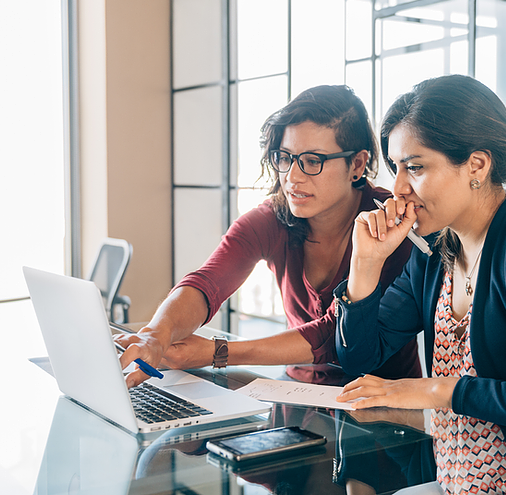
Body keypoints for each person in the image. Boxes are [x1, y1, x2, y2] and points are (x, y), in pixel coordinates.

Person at [334, 74, 506, 494]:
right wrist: (365, 264)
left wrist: (441, 390)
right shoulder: (436, 249)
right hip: (450, 483)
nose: (398, 189)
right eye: (395, 168)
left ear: (477, 165)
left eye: (416, 167)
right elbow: (359, 357)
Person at [116, 84, 421, 389]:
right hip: (296, 392)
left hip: (383, 408)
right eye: (285, 157)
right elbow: (207, 282)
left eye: (312, 161)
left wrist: (218, 352)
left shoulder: (391, 225)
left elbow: (333, 336)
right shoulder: (274, 217)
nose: (292, 176)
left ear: (356, 164)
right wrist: (156, 334)